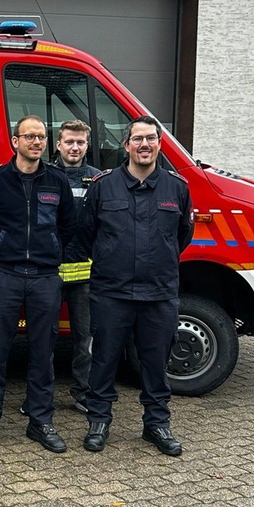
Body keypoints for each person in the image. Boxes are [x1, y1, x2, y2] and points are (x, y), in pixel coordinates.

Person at [79, 115, 193, 456]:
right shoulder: (103, 186)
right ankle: (99, 421)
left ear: (159, 144)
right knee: (104, 360)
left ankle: (156, 424)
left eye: (151, 139)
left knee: (155, 363)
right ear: (126, 145)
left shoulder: (177, 188)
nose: (145, 145)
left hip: (159, 292)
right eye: (138, 139)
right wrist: (111, 259)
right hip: (111, 292)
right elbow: (86, 235)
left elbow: (182, 236)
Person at [0, 115, 75, 453]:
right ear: (15, 141)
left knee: (43, 353)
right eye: (29, 136)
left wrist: (50, 251)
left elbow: (68, 226)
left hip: (45, 277)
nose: (36, 142)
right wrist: (5, 246)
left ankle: (40, 421)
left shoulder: (57, 181)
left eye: (41, 137)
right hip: (6, 274)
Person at [54, 120, 101, 413]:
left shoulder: (97, 180)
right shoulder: (44, 175)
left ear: (87, 145)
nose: (74, 147)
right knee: (43, 339)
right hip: (49, 272)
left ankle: (83, 392)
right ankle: (38, 397)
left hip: (84, 274)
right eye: (69, 142)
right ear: (58, 144)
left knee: (85, 339)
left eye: (80, 142)